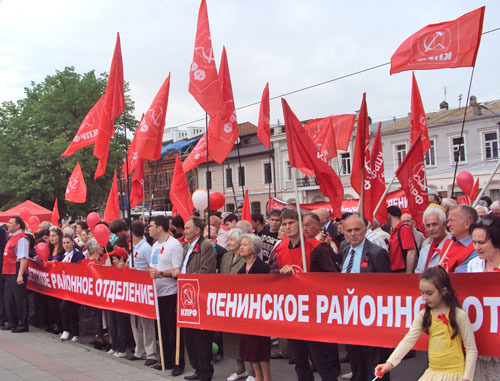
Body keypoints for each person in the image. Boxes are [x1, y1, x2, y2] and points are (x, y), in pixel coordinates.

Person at [375, 266, 477, 381]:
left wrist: (467, 378)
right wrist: (389, 363)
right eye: (422, 293)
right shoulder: (423, 315)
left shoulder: (459, 315)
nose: (425, 297)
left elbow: (471, 349)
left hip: (455, 374)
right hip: (432, 373)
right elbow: (408, 340)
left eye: (429, 293)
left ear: (443, 291)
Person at [271, 209, 339, 381]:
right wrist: (280, 272)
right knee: (299, 360)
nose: (288, 227)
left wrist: (312, 281)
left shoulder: (316, 248)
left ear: (300, 224)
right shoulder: (280, 250)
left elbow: (332, 275)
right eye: (284, 224)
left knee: (320, 359)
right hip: (292, 313)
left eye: (291, 222)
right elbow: (271, 274)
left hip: (314, 312)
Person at [340, 214, 392, 381]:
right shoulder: (345, 250)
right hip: (351, 318)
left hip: (373, 319)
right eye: (349, 230)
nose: (353, 234)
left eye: (357, 229)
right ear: (344, 233)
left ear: (365, 230)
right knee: (357, 365)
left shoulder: (377, 253)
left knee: (376, 366)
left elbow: (387, 288)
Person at [172, 217, 216, 381]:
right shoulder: (186, 246)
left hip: (198, 295)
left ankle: (205, 370)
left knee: (201, 336)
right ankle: (197, 367)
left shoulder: (205, 246)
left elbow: (207, 270)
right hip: (186, 295)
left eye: (188, 228)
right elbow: (184, 265)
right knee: (189, 334)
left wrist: (185, 277)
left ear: (198, 230)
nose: (185, 230)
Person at [147, 216, 184, 376]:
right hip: (157, 293)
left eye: (151, 226)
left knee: (172, 330)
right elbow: (152, 267)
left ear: (160, 228)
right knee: (161, 329)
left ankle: (177, 362)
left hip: (170, 293)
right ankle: (165, 359)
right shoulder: (155, 245)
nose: (149, 229)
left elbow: (177, 270)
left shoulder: (174, 245)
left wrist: (161, 274)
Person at [467, 215, 500, 379]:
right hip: (480, 342)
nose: (476, 247)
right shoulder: (473, 265)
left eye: (482, 243)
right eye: (474, 242)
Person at [238, 234, 271, 381]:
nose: (241, 247)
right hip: (245, 313)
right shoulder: (241, 269)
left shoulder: (263, 267)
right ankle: (257, 376)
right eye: (241, 244)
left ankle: (266, 378)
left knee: (261, 347)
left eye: (245, 244)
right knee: (250, 347)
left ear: (255, 248)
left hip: (260, 313)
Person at [219, 228, 250, 381]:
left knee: (246, 338)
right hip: (227, 301)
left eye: (232, 240)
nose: (229, 243)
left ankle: (253, 372)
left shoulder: (247, 258)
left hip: (242, 302)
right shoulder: (225, 256)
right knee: (231, 338)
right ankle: (240, 369)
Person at [128, 220, 158, 366]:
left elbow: (153, 267)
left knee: (146, 323)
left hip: (144, 290)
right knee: (135, 322)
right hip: (134, 290)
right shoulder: (133, 248)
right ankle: (139, 350)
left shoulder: (146, 248)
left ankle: (151, 352)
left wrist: (138, 273)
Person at [1, 217, 30, 332]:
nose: (8, 225)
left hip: (16, 270)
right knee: (9, 299)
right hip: (8, 271)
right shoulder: (11, 237)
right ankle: (12, 322)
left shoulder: (21, 239)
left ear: (18, 225)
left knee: (19, 299)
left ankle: (23, 324)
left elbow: (23, 258)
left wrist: (20, 274)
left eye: (11, 223)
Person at [57, 235, 85, 342]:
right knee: (71, 310)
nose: (66, 245)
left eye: (68, 242)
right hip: (64, 288)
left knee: (65, 307)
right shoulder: (62, 255)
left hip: (75, 288)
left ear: (73, 243)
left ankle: (68, 330)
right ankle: (73, 332)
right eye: (64, 243)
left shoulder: (78, 255)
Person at [441, 205, 478, 273]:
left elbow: (460, 276)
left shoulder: (476, 248)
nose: (448, 225)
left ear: (467, 223)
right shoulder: (448, 243)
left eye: (451, 220)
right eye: (448, 220)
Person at [415, 206, 451, 273]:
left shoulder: (453, 245)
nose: (431, 229)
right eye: (428, 226)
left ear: (444, 224)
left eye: (434, 224)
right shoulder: (424, 250)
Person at [387, 206, 417, 273]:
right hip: (395, 271)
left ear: (388, 215)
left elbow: (411, 252)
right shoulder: (394, 231)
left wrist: (408, 274)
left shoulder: (404, 229)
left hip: (401, 271)